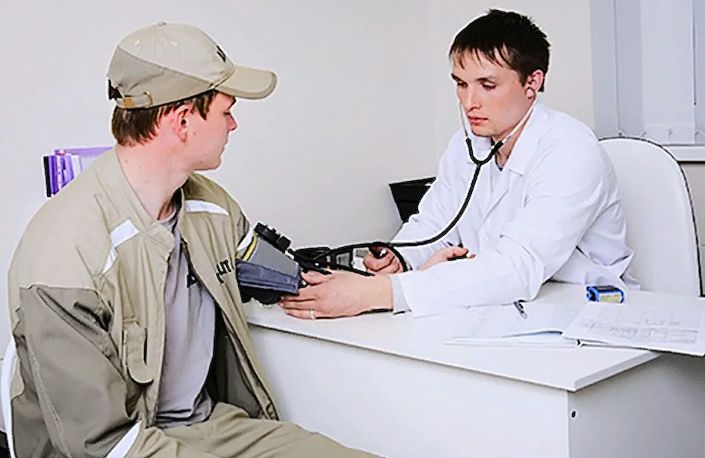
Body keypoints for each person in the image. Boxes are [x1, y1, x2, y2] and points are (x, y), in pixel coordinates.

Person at [7, 22, 374, 457]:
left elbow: (272, 273)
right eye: (226, 111)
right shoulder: (63, 252)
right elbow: (100, 445)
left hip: (209, 427)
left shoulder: (211, 206)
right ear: (182, 120)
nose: (234, 124)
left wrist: (373, 286)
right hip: (125, 446)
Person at [280, 9, 637, 319]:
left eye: (487, 85)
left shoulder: (570, 151)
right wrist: (400, 258)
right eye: (461, 84)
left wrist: (379, 293)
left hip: (587, 312)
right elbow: (435, 223)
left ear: (532, 81)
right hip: (502, 308)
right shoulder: (470, 143)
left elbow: (519, 267)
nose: (469, 102)